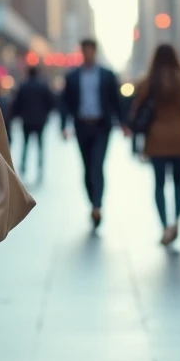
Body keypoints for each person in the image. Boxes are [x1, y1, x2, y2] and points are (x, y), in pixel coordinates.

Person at [128, 44, 180, 245]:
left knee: (159, 184)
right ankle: (177, 222)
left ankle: (164, 226)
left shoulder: (147, 82)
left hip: (157, 139)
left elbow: (136, 111)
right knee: (179, 182)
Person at [60, 37, 128, 228]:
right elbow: (65, 102)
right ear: (81, 52)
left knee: (97, 165)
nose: (88, 53)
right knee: (87, 166)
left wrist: (124, 124)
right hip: (81, 126)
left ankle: (97, 205)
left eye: (90, 50)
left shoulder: (107, 75)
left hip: (101, 127)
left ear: (95, 51)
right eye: (85, 50)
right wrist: (64, 126)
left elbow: (117, 100)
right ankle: (92, 201)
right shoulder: (72, 76)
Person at [9, 65, 56, 178]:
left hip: (26, 120)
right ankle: (40, 168)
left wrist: (15, 116)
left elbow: (17, 104)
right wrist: (45, 115)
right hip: (40, 121)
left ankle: (23, 166)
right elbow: (50, 102)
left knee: (25, 145)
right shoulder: (43, 86)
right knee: (40, 145)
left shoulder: (23, 86)